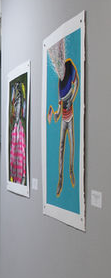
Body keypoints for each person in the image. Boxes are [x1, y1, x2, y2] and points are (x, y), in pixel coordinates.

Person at [47, 58, 79, 197]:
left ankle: (71, 171)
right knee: (61, 147)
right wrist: (53, 114)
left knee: (71, 145)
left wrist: (72, 98)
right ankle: (60, 179)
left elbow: (76, 82)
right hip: (63, 120)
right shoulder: (60, 83)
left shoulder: (70, 67)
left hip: (70, 118)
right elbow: (58, 111)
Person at [9, 82, 26, 185]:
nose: (16, 108)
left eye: (18, 104)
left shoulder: (20, 129)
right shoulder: (14, 130)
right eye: (15, 104)